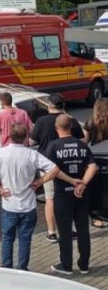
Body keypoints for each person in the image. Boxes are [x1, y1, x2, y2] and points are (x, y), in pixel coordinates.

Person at [0, 123, 58, 271]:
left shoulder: (0, 153)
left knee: (7, 238)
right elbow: (54, 169)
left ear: (10, 136)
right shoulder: (31, 154)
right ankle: (22, 268)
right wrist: (40, 181)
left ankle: (6, 267)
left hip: (9, 204)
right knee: (25, 239)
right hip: (28, 205)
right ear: (25, 137)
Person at [47, 114, 98, 276]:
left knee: (65, 231)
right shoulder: (81, 145)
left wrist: (71, 181)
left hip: (63, 194)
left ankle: (66, 265)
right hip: (81, 194)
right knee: (83, 229)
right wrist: (83, 183)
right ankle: (84, 265)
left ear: (57, 128)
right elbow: (93, 167)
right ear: (71, 127)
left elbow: (51, 170)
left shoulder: (53, 146)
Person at [29, 93, 84, 242]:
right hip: (69, 165)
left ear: (49, 105)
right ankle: (69, 230)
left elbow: (32, 141)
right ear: (63, 106)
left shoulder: (41, 121)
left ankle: (51, 232)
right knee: (69, 197)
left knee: (50, 199)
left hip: (48, 167)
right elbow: (83, 139)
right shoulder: (70, 120)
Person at [83, 98, 108, 227]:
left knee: (97, 187)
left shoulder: (90, 123)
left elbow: (85, 142)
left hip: (96, 159)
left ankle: (97, 215)